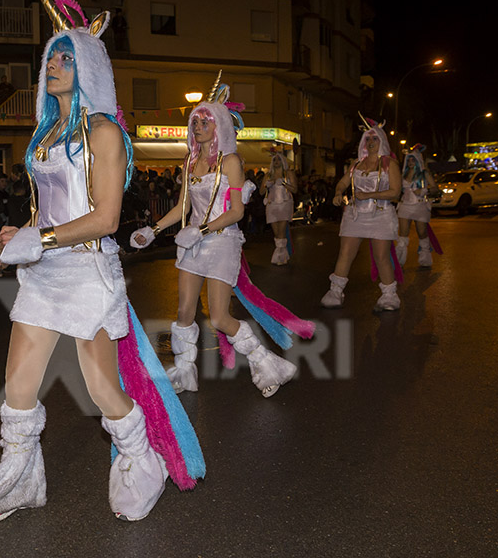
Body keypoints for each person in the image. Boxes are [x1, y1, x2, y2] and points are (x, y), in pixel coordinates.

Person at [0, 0, 204, 525]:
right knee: (18, 386)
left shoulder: (103, 132)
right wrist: (12, 240)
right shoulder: (45, 135)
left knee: (101, 387)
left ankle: (144, 461)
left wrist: (37, 240)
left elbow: (106, 219)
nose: (54, 66)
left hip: (87, 272)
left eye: (67, 59)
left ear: (89, 68)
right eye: (52, 57)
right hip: (43, 273)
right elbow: (44, 212)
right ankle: (21, 480)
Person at [131, 73, 312, 398]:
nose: (197, 125)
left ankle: (267, 365)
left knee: (219, 317)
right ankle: (185, 372)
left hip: (221, 243)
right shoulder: (189, 162)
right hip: (192, 242)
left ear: (220, 127)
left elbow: (237, 213)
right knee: (184, 313)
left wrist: (200, 231)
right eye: (195, 120)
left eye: (205, 120)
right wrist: (152, 230)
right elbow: (183, 206)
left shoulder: (230, 162)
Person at [320, 117, 402, 311]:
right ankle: (335, 291)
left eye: (375, 139)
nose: (371, 143)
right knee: (346, 253)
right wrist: (339, 193)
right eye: (368, 139)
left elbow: (396, 192)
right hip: (355, 214)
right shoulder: (356, 164)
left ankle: (389, 296)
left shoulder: (390, 164)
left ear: (382, 141)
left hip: (381, 214)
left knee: (382, 256)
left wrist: (370, 194)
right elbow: (342, 183)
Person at [396, 144, 440, 267]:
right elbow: (397, 190)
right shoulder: (403, 175)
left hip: (420, 206)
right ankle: (399, 261)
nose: (410, 162)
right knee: (402, 234)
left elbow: (435, 189)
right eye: (409, 160)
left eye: (413, 159)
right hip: (405, 206)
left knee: (422, 233)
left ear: (417, 160)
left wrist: (424, 190)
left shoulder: (424, 173)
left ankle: (425, 258)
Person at [260, 151, 297, 264]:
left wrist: (284, 184)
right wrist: (267, 185)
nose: (276, 162)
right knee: (276, 233)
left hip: (285, 204)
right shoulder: (268, 175)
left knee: (281, 231)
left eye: (279, 159)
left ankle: (279, 257)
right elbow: (261, 192)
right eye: (274, 160)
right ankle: (283, 255)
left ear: (283, 161)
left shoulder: (288, 174)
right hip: (272, 206)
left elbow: (295, 189)